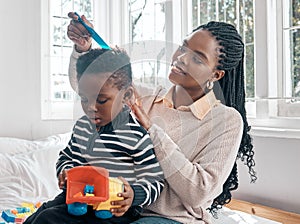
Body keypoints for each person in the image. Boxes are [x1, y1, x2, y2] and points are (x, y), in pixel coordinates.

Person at [67, 12, 256, 224]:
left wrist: (152, 131)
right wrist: (83, 49)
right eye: (184, 48)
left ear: (216, 75)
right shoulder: (146, 96)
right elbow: (92, 90)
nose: (181, 58)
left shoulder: (226, 121)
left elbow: (199, 193)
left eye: (197, 58)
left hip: (172, 219)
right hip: (122, 210)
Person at [24, 48, 164, 224]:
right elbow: (67, 156)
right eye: (84, 99)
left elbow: (155, 180)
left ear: (126, 95)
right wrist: (66, 171)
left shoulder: (136, 136)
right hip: (80, 197)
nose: (91, 107)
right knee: (38, 216)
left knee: (48, 219)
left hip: (112, 208)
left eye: (102, 100)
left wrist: (133, 194)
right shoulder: (83, 127)